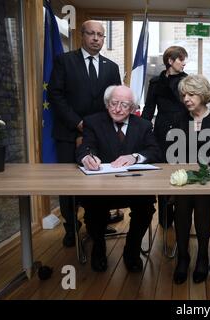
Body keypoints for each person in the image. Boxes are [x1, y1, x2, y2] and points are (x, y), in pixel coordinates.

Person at [48, 20, 122, 247]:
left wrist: (96, 129)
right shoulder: (64, 61)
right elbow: (55, 96)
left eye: (101, 35)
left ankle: (96, 223)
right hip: (68, 133)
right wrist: (79, 124)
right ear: (82, 35)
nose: (96, 38)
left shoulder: (112, 67)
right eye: (91, 34)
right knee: (68, 184)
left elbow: (114, 101)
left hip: (99, 135)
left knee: (98, 182)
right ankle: (71, 227)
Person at [76, 85, 161, 272]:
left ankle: (131, 249)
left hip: (135, 188)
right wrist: (87, 157)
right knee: (93, 209)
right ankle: (98, 248)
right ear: (107, 104)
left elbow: (155, 151)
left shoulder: (144, 125)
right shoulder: (92, 122)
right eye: (113, 103)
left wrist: (135, 156)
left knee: (146, 207)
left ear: (132, 108)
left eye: (124, 105)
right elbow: (85, 147)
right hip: (102, 189)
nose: (117, 109)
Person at [166, 74, 210, 284]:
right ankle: (183, 258)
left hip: (209, 181)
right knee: (183, 202)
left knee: (201, 199)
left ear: (203, 95)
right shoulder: (178, 119)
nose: (186, 98)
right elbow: (172, 153)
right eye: (184, 94)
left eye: (191, 94)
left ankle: (202, 256)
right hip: (184, 180)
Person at [142, 46, 188, 229]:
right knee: (163, 174)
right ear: (170, 61)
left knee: (182, 171)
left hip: (183, 130)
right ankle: (165, 217)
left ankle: (183, 216)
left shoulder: (188, 81)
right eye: (181, 59)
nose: (184, 63)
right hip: (161, 132)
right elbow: (148, 109)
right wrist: (142, 131)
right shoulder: (155, 82)